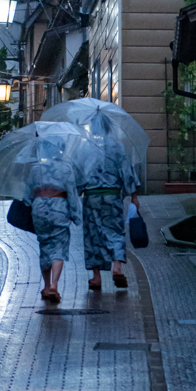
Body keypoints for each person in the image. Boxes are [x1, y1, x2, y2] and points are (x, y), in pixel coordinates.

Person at [82, 123, 140, 290]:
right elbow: (126, 171)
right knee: (115, 231)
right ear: (108, 128)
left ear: (92, 129)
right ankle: (117, 266)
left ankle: (96, 277)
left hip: (91, 196)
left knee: (92, 235)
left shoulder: (85, 147)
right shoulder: (117, 146)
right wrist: (133, 196)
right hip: (112, 196)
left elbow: (79, 173)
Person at [22, 142, 82, 304]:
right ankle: (55, 285)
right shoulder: (66, 168)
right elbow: (72, 193)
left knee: (44, 246)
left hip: (40, 209)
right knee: (59, 247)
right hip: (59, 209)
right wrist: (76, 216)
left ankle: (46, 285)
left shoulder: (36, 169)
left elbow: (27, 196)